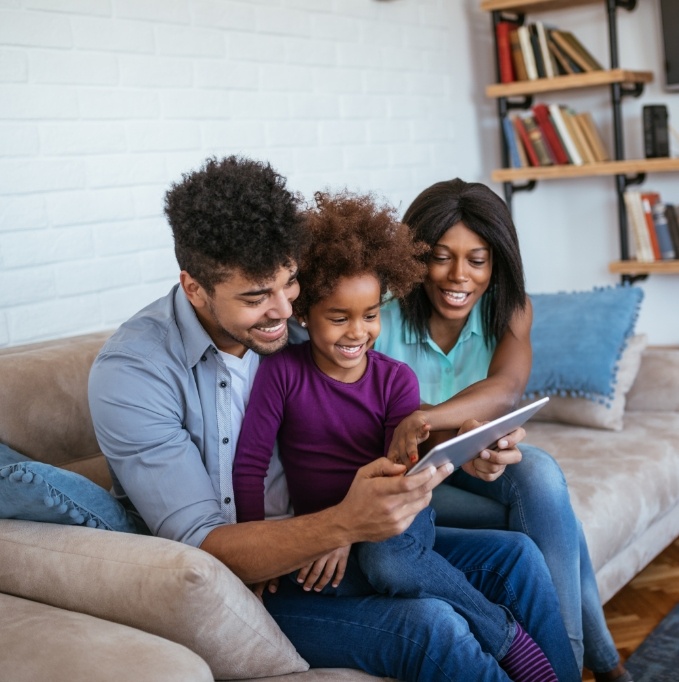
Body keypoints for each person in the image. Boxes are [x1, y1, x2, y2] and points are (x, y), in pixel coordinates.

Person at [88, 156, 579, 681]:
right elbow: (205, 547)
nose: (282, 311)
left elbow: (377, 429)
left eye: (290, 283)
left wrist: (469, 442)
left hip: (339, 539)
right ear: (194, 288)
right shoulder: (134, 375)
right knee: (432, 625)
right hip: (256, 581)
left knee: (519, 561)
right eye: (256, 297)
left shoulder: (297, 330)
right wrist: (341, 523)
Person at [232, 190, 571, 682]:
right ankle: (502, 630)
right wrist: (268, 546)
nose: (357, 332)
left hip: (399, 515)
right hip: (328, 523)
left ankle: (500, 634)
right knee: (351, 569)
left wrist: (353, 526)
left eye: (370, 316)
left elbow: (401, 467)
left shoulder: (396, 379)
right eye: (338, 317)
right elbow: (249, 465)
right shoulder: (282, 373)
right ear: (304, 313)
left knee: (389, 558)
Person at [374, 178, 632, 682]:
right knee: (556, 515)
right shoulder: (379, 317)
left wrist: (429, 417)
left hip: (468, 459)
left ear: (498, 261)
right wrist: (446, 428)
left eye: (477, 259)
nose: (458, 276)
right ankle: (595, 664)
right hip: (411, 477)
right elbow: (378, 425)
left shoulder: (510, 308)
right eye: (440, 256)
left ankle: (572, 664)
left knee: (538, 475)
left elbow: (507, 389)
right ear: (415, 257)